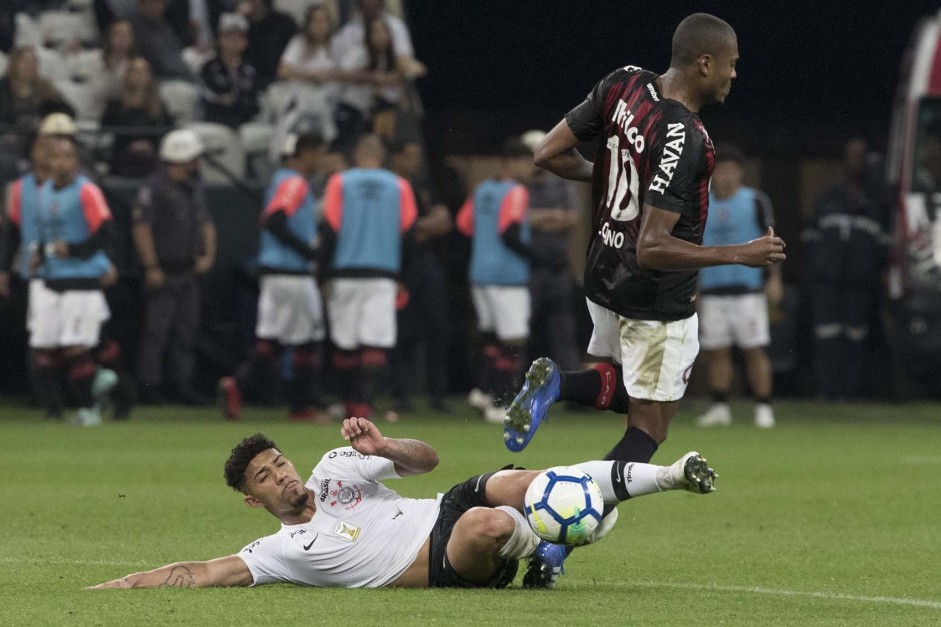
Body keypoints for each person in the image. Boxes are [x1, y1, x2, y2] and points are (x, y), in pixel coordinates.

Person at [502, 13, 785, 459]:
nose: (735, 74)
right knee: (650, 426)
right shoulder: (686, 136)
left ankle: (560, 383)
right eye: (731, 63)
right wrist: (739, 254)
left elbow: (547, 152)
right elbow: (652, 248)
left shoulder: (624, 82)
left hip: (602, 275)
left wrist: (619, 172)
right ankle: (573, 512)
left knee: (641, 391)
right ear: (705, 64)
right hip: (653, 296)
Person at [88, 416, 717, 590]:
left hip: (438, 504)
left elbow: (427, 461)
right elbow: (203, 572)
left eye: (277, 462)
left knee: (516, 481)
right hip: (439, 557)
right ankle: (547, 544)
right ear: (253, 501)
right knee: (489, 523)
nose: (280, 475)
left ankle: (667, 475)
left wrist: (387, 444)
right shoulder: (279, 550)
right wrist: (116, 586)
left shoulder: (335, 468)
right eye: (263, 477)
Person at [219, 133, 329, 423]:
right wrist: (309, 253)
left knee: (273, 341)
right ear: (302, 154)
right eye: (317, 152)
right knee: (307, 340)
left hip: (276, 273)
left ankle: (237, 383)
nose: (321, 160)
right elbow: (275, 219)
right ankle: (300, 408)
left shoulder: (281, 180)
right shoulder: (293, 182)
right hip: (291, 273)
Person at [321, 134, 417, 420]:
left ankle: (348, 402)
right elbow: (409, 235)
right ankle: (365, 404)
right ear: (382, 156)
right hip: (382, 274)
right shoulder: (400, 186)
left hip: (345, 272)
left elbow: (330, 230)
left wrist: (323, 274)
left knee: (345, 342)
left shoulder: (339, 182)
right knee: (374, 342)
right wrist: (403, 276)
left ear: (355, 155)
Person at [25, 136, 115, 426]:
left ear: (75, 162)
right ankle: (55, 409)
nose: (60, 162)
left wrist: (75, 250)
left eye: (67, 157)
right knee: (46, 348)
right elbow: (46, 234)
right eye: (55, 157)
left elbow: (106, 233)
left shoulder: (87, 191)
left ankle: (90, 408)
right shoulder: (43, 193)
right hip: (52, 278)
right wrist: (39, 254)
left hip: (82, 279)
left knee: (76, 347)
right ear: (46, 161)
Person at [693, 144, 781, 428]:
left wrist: (775, 279)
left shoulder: (755, 201)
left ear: (741, 173)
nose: (725, 177)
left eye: (731, 170)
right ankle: (720, 406)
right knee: (716, 351)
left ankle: (763, 407)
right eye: (721, 171)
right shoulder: (701, 203)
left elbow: (771, 241)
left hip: (748, 291)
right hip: (712, 290)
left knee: (754, 348)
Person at [457, 138, 540, 424]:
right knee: (513, 340)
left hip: (480, 273)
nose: (531, 169)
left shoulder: (483, 190)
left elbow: (464, 225)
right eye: (528, 162)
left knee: (492, 337)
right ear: (513, 163)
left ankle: (481, 389)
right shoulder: (516, 192)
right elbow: (510, 233)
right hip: (507, 276)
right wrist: (540, 258)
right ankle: (499, 400)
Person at [132, 129, 217, 405]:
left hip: (188, 270)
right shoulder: (153, 188)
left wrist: (207, 255)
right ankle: (149, 385)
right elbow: (142, 228)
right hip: (164, 269)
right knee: (156, 330)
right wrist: (151, 265)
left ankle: (182, 384)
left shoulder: (193, 188)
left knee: (186, 331)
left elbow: (206, 223)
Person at [804, 138, 889, 400]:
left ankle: (851, 393)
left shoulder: (876, 203)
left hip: (859, 287)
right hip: (827, 284)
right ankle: (828, 392)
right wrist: (820, 267)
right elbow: (809, 238)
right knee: (826, 337)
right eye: (850, 155)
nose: (855, 161)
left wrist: (873, 273)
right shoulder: (829, 198)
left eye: (860, 155)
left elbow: (884, 246)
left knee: (856, 338)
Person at [387, 138, 452, 413]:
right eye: (410, 155)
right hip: (400, 267)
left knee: (438, 329)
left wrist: (419, 227)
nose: (415, 162)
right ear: (397, 157)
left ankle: (438, 395)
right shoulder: (390, 186)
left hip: (427, 266)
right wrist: (421, 227)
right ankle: (401, 396)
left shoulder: (423, 185)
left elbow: (444, 220)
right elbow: (399, 229)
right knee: (403, 333)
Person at [520, 129, 584, 375]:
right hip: (529, 268)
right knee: (522, 330)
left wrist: (536, 220)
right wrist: (550, 217)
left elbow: (572, 219)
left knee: (564, 331)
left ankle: (572, 388)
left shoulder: (560, 185)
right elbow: (519, 221)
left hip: (557, 268)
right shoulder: (519, 187)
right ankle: (516, 386)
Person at [100, 56, 175, 178]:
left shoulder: (159, 107)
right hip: (121, 157)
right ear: (127, 75)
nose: (138, 75)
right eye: (135, 71)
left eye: (143, 71)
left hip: (152, 156)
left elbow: (169, 131)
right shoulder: (116, 105)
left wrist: (148, 146)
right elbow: (105, 131)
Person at [198, 12, 259, 129]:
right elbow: (208, 95)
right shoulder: (209, 67)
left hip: (243, 120)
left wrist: (233, 99)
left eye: (238, 37)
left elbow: (252, 101)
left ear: (245, 41)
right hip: (215, 118)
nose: (233, 41)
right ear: (220, 39)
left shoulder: (249, 70)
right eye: (229, 36)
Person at [238, 0, 296, 90]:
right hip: (248, 84)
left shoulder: (284, 21)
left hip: (281, 82)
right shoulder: (241, 25)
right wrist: (238, 18)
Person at [129, 0, 191, 79]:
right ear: (142, 4)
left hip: (179, 72)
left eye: (160, 2)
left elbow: (175, 48)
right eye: (152, 2)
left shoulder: (164, 24)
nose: (157, 6)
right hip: (157, 77)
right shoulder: (134, 27)